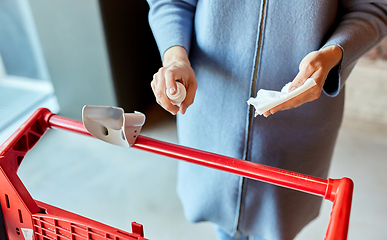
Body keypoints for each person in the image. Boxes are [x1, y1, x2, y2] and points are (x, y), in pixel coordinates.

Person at [146, 1, 387, 240]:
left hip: (301, 119)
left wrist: (333, 53)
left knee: (279, 225)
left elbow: (372, 7)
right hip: (211, 110)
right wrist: (175, 58)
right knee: (224, 225)